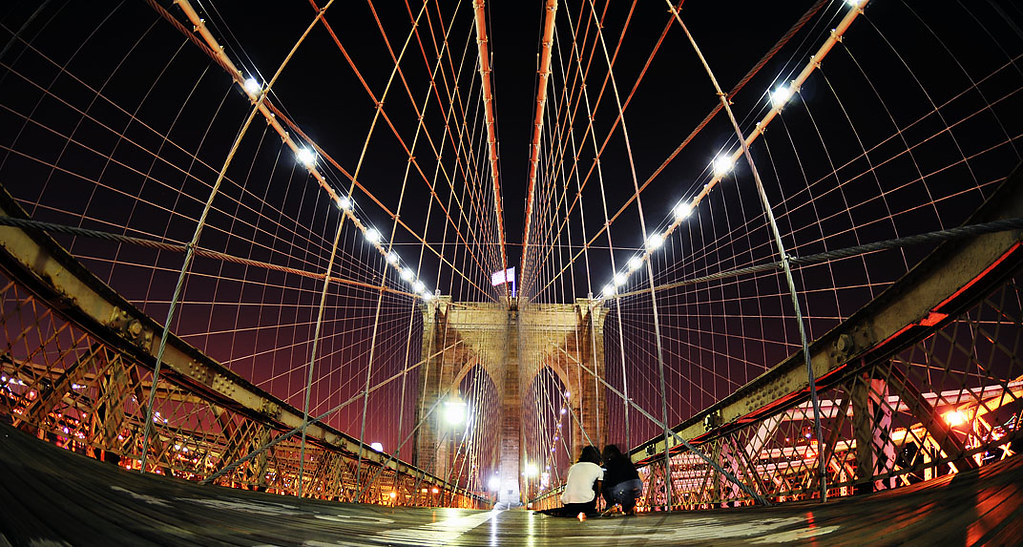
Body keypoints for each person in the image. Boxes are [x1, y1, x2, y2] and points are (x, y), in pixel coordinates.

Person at [541, 445, 603, 517]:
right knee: (596, 481)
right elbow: (598, 491)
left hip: (568, 504)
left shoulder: (573, 467)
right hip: (587, 504)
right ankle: (590, 510)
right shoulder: (598, 468)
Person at [601, 444, 642, 515]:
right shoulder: (626, 460)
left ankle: (610, 506)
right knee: (627, 493)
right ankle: (629, 508)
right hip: (638, 486)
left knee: (604, 487)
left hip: (622, 488)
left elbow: (608, 480)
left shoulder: (609, 464)